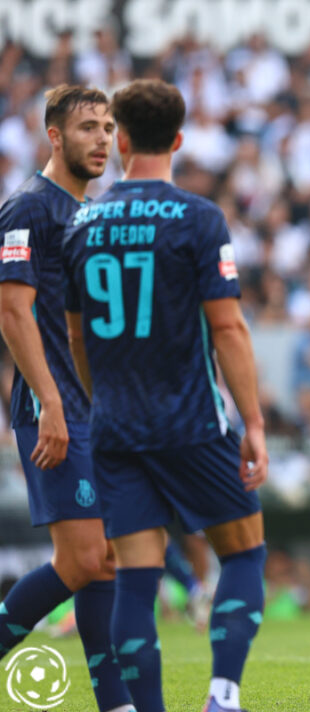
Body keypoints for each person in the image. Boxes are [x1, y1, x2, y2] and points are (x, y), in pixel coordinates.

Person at [61, 79, 269, 712]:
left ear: (119, 140)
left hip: (115, 427)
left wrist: (103, 404)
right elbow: (228, 326)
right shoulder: (199, 218)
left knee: (137, 578)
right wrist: (254, 422)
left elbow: (76, 338)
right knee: (244, 552)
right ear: (178, 140)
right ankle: (223, 695)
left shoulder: (82, 223)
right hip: (192, 421)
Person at [0, 84, 135, 712]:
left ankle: (117, 704)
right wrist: (50, 402)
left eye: (108, 128)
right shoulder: (28, 207)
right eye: (88, 128)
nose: (102, 139)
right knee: (82, 559)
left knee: (105, 558)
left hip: (95, 410)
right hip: (52, 409)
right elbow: (12, 310)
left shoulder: (90, 211)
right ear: (55, 137)